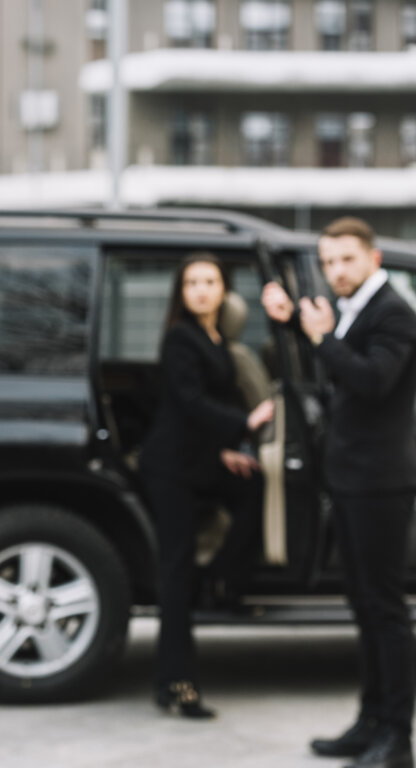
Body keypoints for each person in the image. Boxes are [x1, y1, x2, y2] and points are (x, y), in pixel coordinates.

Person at [262, 217, 416, 768]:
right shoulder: (354, 310)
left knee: (385, 609)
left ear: (373, 259)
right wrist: (292, 323)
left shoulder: (394, 313)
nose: (335, 271)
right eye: (328, 262)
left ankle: (397, 735)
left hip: (381, 483)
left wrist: (321, 338)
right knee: (363, 605)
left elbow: (372, 381)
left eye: (346, 259)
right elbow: (339, 365)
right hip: (351, 479)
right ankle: (369, 721)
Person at [139, 252, 274, 719]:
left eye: (210, 282)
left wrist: (225, 449)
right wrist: (246, 423)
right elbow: (190, 402)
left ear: (224, 291)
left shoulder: (216, 337)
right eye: (192, 282)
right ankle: (176, 684)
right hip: (171, 467)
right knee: (175, 572)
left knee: (253, 486)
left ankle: (220, 579)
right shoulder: (181, 336)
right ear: (182, 292)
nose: (201, 290)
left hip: (202, 459)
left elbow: (205, 406)